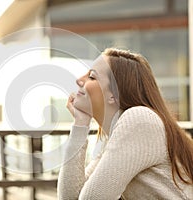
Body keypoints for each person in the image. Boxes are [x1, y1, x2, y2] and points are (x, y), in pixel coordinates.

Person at [57, 47, 193, 199]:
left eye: (92, 77)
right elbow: (69, 197)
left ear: (113, 95)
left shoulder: (139, 120)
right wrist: (80, 124)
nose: (79, 80)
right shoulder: (115, 135)